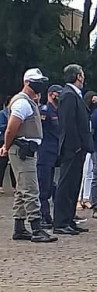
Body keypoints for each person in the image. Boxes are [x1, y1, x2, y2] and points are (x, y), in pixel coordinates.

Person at [0, 68, 58, 242]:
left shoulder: (29, 101)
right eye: (36, 81)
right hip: (22, 150)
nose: (39, 84)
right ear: (27, 82)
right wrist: (6, 145)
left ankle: (19, 227)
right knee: (31, 189)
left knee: (21, 190)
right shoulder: (22, 103)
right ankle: (36, 228)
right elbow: (11, 128)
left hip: (26, 149)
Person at [53, 64, 93, 236]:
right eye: (82, 74)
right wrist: (75, 146)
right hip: (72, 148)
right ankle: (60, 222)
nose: (83, 78)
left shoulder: (75, 95)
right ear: (78, 76)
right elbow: (68, 124)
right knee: (66, 184)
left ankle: (69, 219)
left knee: (74, 184)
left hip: (78, 147)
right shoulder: (69, 95)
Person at [37, 85, 62, 228]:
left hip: (54, 154)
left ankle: (47, 215)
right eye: (58, 94)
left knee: (50, 184)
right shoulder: (44, 111)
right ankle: (42, 216)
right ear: (52, 94)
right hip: (44, 153)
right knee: (43, 186)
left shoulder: (58, 112)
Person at [78, 90, 97, 209]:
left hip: (92, 145)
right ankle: (77, 198)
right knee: (83, 171)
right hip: (83, 145)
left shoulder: (94, 114)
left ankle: (86, 197)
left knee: (90, 171)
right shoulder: (83, 113)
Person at [0, 95, 17, 194]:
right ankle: (0, 185)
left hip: (14, 140)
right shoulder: (3, 113)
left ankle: (15, 185)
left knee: (13, 165)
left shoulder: (15, 113)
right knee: (2, 164)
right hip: (3, 140)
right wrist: (10, 124)